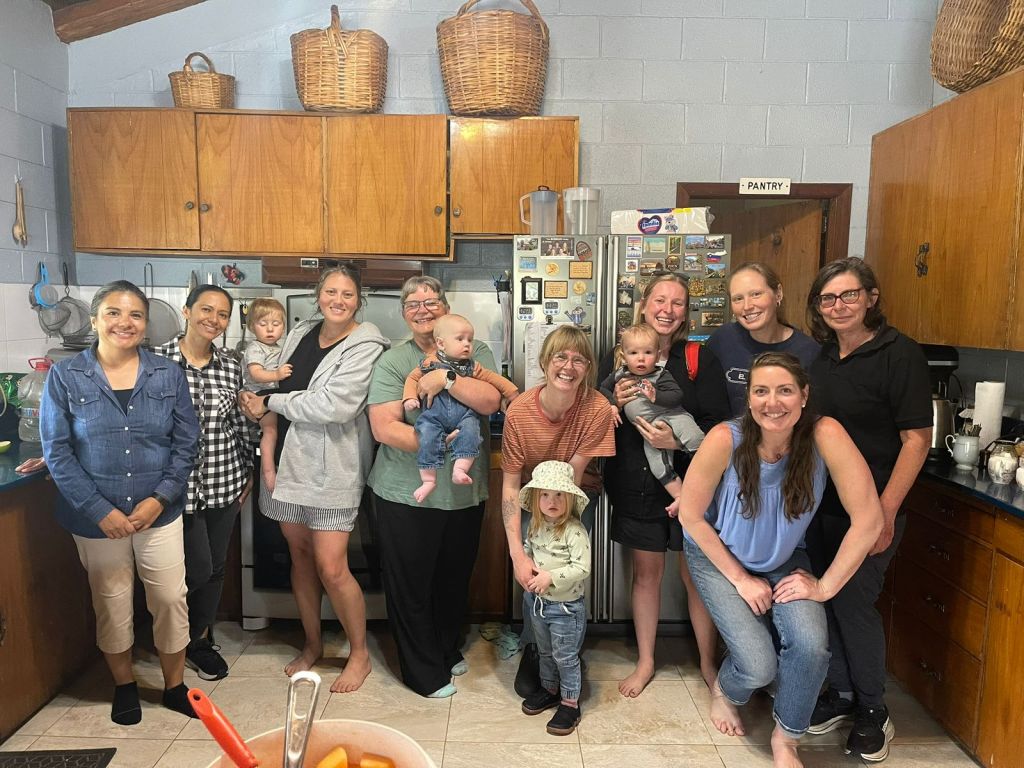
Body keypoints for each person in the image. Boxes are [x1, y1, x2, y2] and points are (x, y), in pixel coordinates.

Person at [678, 352, 883, 768]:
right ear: (749, 398)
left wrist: (823, 587)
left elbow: (870, 520)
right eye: (761, 391)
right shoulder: (725, 438)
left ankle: (786, 737)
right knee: (758, 667)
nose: (773, 403)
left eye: (785, 390)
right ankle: (726, 691)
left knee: (811, 648)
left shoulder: (825, 434)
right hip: (718, 556)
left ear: (804, 395)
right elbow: (690, 517)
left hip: (785, 559)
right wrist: (741, 579)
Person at [40, 280, 200, 724]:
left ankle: (174, 686)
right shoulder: (65, 376)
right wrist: (100, 511)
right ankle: (125, 685)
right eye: (113, 313)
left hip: (158, 513)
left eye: (135, 315)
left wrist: (159, 499)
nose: (124, 323)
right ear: (95, 320)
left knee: (170, 598)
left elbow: (186, 443)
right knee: (111, 601)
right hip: (95, 518)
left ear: (145, 325)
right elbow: (57, 451)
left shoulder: (167, 374)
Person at [803, 258, 932, 761]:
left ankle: (874, 709)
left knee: (855, 603)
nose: (838, 306)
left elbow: (916, 440)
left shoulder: (900, 354)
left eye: (849, 295)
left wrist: (884, 513)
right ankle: (841, 694)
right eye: (828, 298)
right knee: (826, 598)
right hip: (822, 506)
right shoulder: (822, 358)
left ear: (871, 297)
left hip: (873, 508)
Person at [240, 265, 389, 694]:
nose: (338, 300)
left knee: (332, 566)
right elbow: (268, 373)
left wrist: (270, 401)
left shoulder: (365, 345)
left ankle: (358, 654)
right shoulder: (301, 332)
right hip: (288, 463)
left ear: (359, 300)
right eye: (330, 292)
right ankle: (312, 643)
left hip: (332, 470)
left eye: (347, 294)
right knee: (300, 557)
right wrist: (257, 398)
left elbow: (335, 406)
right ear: (318, 294)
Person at [599, 272, 730, 697]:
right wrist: (611, 404)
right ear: (643, 304)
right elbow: (596, 411)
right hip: (636, 486)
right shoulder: (617, 358)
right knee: (646, 574)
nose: (667, 310)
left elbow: (718, 423)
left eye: (677, 303)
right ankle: (646, 661)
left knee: (698, 575)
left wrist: (675, 440)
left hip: (694, 485)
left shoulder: (697, 358)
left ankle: (708, 663)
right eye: (659, 300)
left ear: (686, 313)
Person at [367, 276, 499, 698]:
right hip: (404, 492)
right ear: (404, 313)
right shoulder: (394, 361)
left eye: (431, 301)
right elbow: (384, 427)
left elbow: (491, 401)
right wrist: (437, 446)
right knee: (411, 586)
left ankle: (445, 648)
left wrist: (447, 379)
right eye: (413, 303)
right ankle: (423, 672)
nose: (422, 309)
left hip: (463, 493)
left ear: (446, 307)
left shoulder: (473, 349)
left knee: (452, 579)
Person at [501, 325, 617, 697]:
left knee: (564, 571)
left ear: (589, 368)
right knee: (530, 574)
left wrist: (555, 532)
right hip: (529, 495)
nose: (568, 366)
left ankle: (566, 651)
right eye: (560, 357)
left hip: (577, 493)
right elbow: (510, 487)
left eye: (578, 359)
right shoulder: (519, 412)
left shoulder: (596, 408)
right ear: (544, 362)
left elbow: (573, 477)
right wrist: (518, 555)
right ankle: (536, 648)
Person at [155, 285, 254, 682]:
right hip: (172, 486)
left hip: (224, 477)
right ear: (187, 311)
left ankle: (198, 641)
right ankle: (174, 638)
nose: (214, 319)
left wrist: (249, 469)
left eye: (222, 314)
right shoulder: (156, 360)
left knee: (215, 567)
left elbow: (239, 421)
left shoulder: (232, 364)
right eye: (206, 310)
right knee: (194, 570)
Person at [402, 313, 518, 502]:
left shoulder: (472, 366)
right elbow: (412, 379)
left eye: (469, 340)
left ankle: (460, 468)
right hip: (433, 416)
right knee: (427, 435)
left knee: (472, 432)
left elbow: (494, 379)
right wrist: (409, 398)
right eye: (460, 339)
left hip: (464, 416)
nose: (467, 344)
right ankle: (428, 480)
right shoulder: (429, 363)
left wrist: (512, 393)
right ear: (441, 343)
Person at [599, 323, 704, 516]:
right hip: (648, 432)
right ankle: (680, 496)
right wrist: (612, 404)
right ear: (624, 355)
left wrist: (656, 395)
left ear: (657, 355)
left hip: (672, 417)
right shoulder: (620, 374)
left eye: (648, 352)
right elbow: (602, 389)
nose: (641, 358)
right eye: (633, 353)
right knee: (659, 467)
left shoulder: (661, 374)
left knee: (696, 440)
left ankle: (711, 476)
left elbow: (677, 396)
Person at [518, 461, 591, 737]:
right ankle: (549, 689)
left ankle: (570, 704)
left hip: (566, 609)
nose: (552, 501)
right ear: (536, 499)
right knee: (545, 651)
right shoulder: (535, 526)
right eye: (545, 495)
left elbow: (582, 567)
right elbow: (528, 550)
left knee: (565, 656)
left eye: (559, 494)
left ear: (570, 498)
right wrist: (527, 566)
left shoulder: (574, 530)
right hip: (539, 605)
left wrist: (550, 577)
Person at [707, 262, 820, 417]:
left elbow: (814, 415)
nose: (747, 306)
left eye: (756, 294)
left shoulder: (808, 351)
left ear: (778, 293)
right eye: (738, 298)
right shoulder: (722, 340)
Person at [242, 297, 292, 392]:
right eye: (263, 324)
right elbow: (256, 373)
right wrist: (276, 375)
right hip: (257, 393)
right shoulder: (255, 348)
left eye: (276, 324)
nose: (270, 329)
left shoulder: (279, 348)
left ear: (283, 328)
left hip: (271, 393)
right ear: (252, 327)